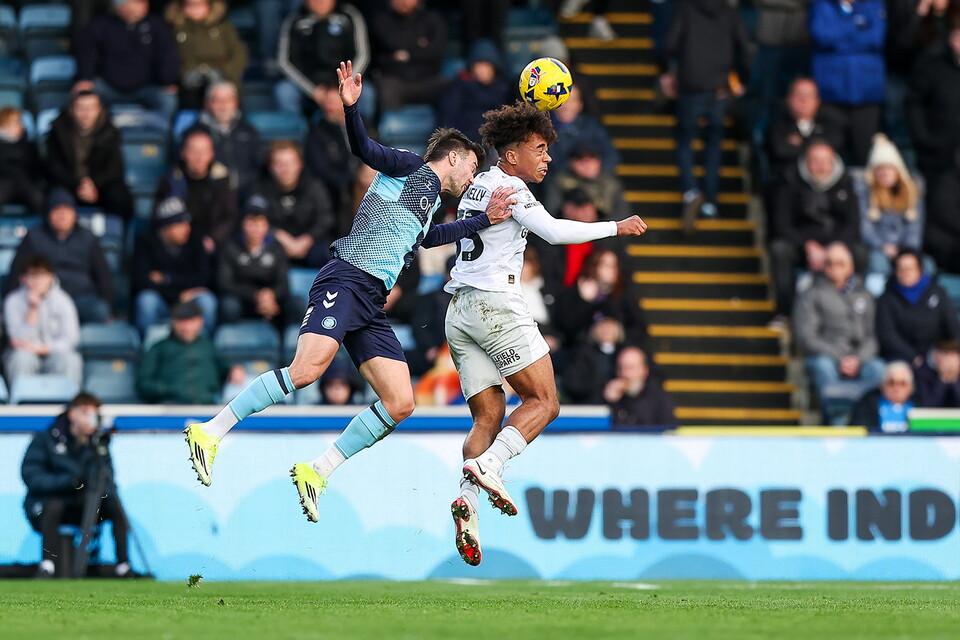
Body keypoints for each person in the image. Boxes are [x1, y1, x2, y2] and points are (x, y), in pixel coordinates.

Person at [183, 61, 515, 527]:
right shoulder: (409, 165)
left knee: (401, 402)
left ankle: (318, 470)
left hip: (371, 302)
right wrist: (351, 107)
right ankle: (210, 431)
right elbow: (363, 148)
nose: (472, 177)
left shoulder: (430, 202)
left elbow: (430, 239)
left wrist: (485, 220)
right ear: (455, 156)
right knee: (307, 370)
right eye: (473, 166)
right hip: (347, 276)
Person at [443, 101, 647, 566]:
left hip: (459, 311)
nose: (547, 158)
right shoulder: (511, 187)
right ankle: (490, 467)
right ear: (512, 154)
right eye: (539, 149)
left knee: (486, 420)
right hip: (496, 304)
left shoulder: (476, 185)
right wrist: (615, 225)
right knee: (545, 403)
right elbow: (554, 233)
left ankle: (467, 501)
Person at [659, 0, 751, 230]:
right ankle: (710, 202)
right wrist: (742, 80)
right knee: (713, 145)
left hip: (690, 87)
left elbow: (669, 44)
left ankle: (691, 191)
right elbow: (745, 48)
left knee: (684, 142)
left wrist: (665, 72)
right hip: (719, 89)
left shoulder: (685, 8)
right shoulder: (730, 11)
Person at [20, 393, 135, 578]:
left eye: (94, 415)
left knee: (114, 505)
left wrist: (93, 482)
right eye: (85, 413)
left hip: (84, 504)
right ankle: (48, 565)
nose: (90, 420)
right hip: (48, 504)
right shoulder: (46, 440)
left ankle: (123, 565)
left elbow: (107, 478)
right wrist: (69, 482)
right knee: (54, 506)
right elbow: (32, 478)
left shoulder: (97, 444)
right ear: (72, 414)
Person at [768, 140, 864, 317]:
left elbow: (853, 223)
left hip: (836, 245)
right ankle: (785, 312)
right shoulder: (789, 180)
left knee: (860, 252)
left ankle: (854, 310)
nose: (821, 166)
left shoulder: (846, 182)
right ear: (806, 161)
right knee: (779, 250)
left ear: (833, 161)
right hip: (801, 247)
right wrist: (808, 245)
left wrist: (836, 247)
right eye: (816, 161)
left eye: (825, 161)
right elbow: (782, 224)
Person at [793, 241, 885, 417]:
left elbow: (873, 336)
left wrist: (858, 358)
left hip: (860, 358)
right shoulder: (811, 294)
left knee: (878, 369)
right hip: (827, 356)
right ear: (824, 267)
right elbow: (806, 337)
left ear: (850, 266)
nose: (835, 268)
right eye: (829, 263)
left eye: (840, 263)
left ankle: (869, 419)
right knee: (823, 367)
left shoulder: (865, 294)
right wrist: (839, 358)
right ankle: (836, 421)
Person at [9, 188, 114, 324]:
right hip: (44, 297)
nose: (62, 215)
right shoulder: (34, 236)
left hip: (81, 297)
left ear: (75, 213)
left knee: (99, 310)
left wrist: (110, 308)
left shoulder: (88, 238)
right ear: (48, 213)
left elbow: (103, 274)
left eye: (67, 210)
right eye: (57, 209)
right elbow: (17, 269)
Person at [809, 0, 887, 166]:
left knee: (864, 155)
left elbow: (876, 38)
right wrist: (857, 26)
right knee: (831, 152)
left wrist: (839, 32)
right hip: (831, 94)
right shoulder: (821, 4)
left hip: (867, 94)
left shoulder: (874, 4)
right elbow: (822, 35)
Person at [73, 0, 180, 120]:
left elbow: (167, 55)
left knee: (167, 99)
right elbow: (87, 53)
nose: (144, 3)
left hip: (146, 87)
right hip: (108, 86)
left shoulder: (157, 26)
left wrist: (167, 80)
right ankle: (89, 135)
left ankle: (161, 136)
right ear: (121, 6)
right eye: (137, 2)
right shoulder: (100, 25)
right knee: (83, 95)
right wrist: (85, 78)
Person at [132, 196, 217, 335]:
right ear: (165, 228)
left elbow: (202, 278)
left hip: (188, 301)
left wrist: (166, 279)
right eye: (179, 224)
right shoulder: (145, 242)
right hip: (162, 302)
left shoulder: (195, 241)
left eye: (187, 223)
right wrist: (178, 293)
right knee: (146, 300)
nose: (186, 228)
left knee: (207, 300)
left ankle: (204, 348)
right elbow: (142, 282)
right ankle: (147, 348)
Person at [46, 91, 133, 220]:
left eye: (91, 108)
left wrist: (93, 184)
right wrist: (78, 185)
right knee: (57, 199)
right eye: (81, 108)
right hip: (69, 185)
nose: (86, 114)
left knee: (120, 197)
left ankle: (117, 237)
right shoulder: (58, 130)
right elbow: (54, 167)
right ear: (72, 109)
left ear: (99, 109)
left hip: (101, 186)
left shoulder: (111, 131)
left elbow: (114, 168)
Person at [136, 301, 245, 404]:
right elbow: (143, 384)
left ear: (200, 322)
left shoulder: (208, 346)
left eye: (191, 321)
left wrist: (234, 369)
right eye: (181, 322)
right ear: (173, 322)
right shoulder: (159, 347)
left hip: (207, 407)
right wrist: (169, 389)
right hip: (169, 407)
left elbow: (224, 369)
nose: (186, 328)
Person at [251, 140, 336, 268]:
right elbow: (253, 219)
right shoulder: (259, 189)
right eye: (279, 164)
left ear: (300, 164)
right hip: (274, 245)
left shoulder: (314, 186)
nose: (285, 169)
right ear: (270, 166)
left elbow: (325, 219)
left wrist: (307, 239)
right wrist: (279, 236)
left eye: (290, 163)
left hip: (310, 245)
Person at [276, 0, 370, 115]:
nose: (319, 2)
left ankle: (362, 131)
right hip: (310, 85)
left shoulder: (350, 16)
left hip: (344, 81)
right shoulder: (294, 20)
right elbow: (285, 62)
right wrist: (313, 90)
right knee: (285, 91)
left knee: (367, 93)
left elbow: (362, 55)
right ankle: (297, 131)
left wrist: (344, 87)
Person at [217, 195, 299, 326]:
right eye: (250, 221)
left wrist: (270, 295)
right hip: (243, 302)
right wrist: (255, 295)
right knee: (228, 306)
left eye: (260, 221)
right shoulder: (229, 246)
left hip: (272, 303)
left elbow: (283, 284)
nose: (255, 227)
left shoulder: (277, 248)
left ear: (267, 226)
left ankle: (292, 343)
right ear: (242, 224)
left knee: (297, 303)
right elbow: (225, 283)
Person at [853, 134, 924, 284]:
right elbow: (865, 226)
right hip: (877, 248)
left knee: (925, 265)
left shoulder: (911, 192)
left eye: (889, 168)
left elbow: (915, 227)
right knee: (878, 264)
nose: (884, 173)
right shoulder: (866, 194)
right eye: (879, 169)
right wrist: (882, 246)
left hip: (905, 248)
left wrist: (905, 250)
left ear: (897, 170)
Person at [3, 257, 83, 388]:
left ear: (51, 278)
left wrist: (43, 348)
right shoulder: (13, 301)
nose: (37, 281)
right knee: (20, 358)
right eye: (32, 275)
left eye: (42, 276)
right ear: (23, 279)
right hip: (25, 353)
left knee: (70, 359)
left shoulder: (64, 301)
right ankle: (19, 403)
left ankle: (69, 401)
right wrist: (33, 308)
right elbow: (17, 340)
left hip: (53, 352)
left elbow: (71, 339)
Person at [154, 129, 239, 252]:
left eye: (204, 152)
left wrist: (214, 238)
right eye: (193, 151)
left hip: (213, 244)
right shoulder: (169, 180)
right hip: (179, 244)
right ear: (183, 153)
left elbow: (230, 217)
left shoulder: (222, 180)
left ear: (212, 154)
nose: (199, 157)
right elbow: (158, 217)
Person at [875, 249, 960, 364]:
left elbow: (952, 325)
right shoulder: (887, 298)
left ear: (919, 269)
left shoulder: (937, 292)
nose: (905, 273)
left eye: (909, 268)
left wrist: (953, 351)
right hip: (900, 357)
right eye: (901, 268)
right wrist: (913, 357)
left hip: (934, 353)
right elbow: (887, 335)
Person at [553, 248, 648, 349]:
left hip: (617, 351)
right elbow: (567, 329)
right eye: (607, 265)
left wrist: (618, 334)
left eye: (615, 265)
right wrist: (585, 302)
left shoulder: (623, 294)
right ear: (594, 266)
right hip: (584, 352)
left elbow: (639, 328)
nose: (613, 269)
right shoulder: (574, 293)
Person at [164, 0, 248, 109]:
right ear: (181, 7)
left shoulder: (223, 27)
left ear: (209, 5)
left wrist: (224, 72)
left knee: (224, 92)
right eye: (190, 5)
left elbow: (239, 54)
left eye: (199, 5)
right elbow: (169, 57)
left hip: (222, 74)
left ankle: (230, 123)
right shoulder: (175, 30)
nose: (195, 9)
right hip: (188, 77)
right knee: (188, 94)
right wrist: (184, 73)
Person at [368, 0, 448, 113]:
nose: (403, 1)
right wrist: (420, 44)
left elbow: (436, 51)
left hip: (428, 78)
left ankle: (448, 130)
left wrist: (408, 54)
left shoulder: (432, 18)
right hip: (394, 79)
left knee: (453, 89)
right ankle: (390, 129)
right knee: (387, 90)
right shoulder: (381, 19)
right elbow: (394, 43)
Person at [764, 78, 844, 185]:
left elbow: (837, 143)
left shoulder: (829, 124)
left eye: (809, 95)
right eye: (799, 95)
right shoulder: (778, 125)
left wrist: (802, 143)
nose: (804, 100)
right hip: (788, 186)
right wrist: (816, 146)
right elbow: (780, 150)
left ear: (817, 101)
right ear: (788, 99)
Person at [187, 82, 262, 194]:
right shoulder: (194, 134)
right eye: (217, 101)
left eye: (228, 100)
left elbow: (259, 167)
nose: (223, 106)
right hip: (211, 196)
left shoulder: (249, 131)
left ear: (236, 103)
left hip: (247, 195)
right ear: (207, 104)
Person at [437, 39, 511, 148]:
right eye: (478, 65)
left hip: (495, 145)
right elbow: (447, 119)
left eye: (486, 65)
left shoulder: (504, 88)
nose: (482, 70)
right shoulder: (459, 87)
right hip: (465, 144)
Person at [305, 84, 358, 231]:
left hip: (363, 182)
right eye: (326, 102)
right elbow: (320, 168)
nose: (329, 106)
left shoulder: (362, 123)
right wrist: (347, 180)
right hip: (337, 187)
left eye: (333, 101)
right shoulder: (318, 132)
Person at [543, 141, 631, 223]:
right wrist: (566, 212)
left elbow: (621, 219)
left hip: (600, 235)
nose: (587, 163)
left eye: (592, 157)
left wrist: (597, 217)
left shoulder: (611, 184)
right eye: (580, 158)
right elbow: (549, 216)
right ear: (571, 162)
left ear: (599, 161)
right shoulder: (560, 182)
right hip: (566, 234)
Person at [605, 346, 677, 428]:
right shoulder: (608, 396)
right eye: (620, 368)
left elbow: (667, 430)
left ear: (644, 370)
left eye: (630, 368)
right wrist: (612, 404)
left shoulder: (659, 398)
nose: (624, 374)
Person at [561, 316, 625, 404]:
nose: (606, 330)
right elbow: (572, 383)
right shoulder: (582, 354)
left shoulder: (627, 353)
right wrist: (603, 389)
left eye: (610, 326)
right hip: (590, 405)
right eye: (602, 326)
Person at [0, 106, 45, 214]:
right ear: (3, 124)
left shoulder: (28, 145)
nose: (21, 126)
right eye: (15, 122)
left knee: (38, 198)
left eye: (20, 122)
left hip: (25, 183)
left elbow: (37, 167)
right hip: (3, 183)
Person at [849, 361, 915, 432]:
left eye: (902, 383)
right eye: (891, 382)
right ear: (883, 385)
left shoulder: (919, 405)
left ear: (910, 387)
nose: (896, 388)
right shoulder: (867, 403)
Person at [913, 339, 960, 408]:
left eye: (953, 354)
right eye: (946, 353)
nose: (950, 359)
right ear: (935, 354)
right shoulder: (923, 373)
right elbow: (928, 406)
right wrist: (943, 379)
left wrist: (954, 377)